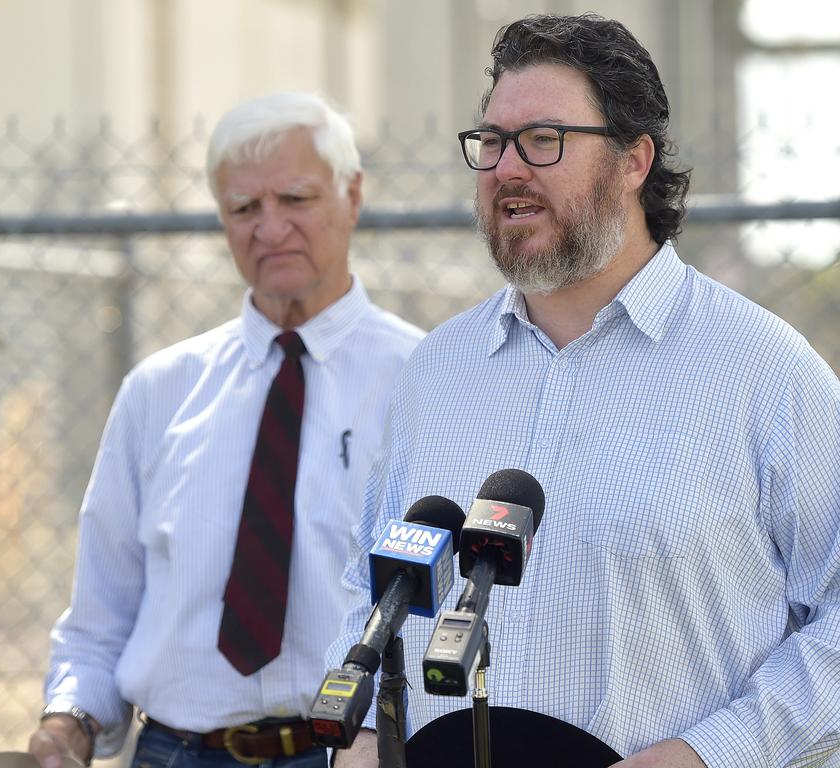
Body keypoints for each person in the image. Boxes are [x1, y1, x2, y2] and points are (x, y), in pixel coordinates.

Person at [331, 13, 840, 768]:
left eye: (543, 139)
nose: (507, 168)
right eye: (493, 142)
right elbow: (367, 583)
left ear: (635, 160)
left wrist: (707, 755)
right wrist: (365, 740)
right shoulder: (435, 371)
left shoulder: (763, 372)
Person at [27, 92, 425, 768]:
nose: (269, 229)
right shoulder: (159, 392)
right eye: (244, 208)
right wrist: (67, 723)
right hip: (174, 753)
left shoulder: (424, 382)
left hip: (355, 755)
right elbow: (101, 620)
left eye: (295, 199)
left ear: (352, 195)